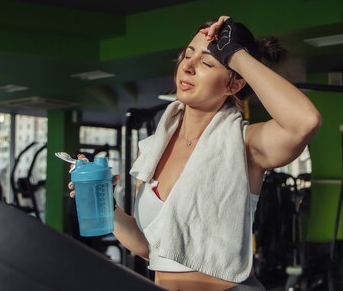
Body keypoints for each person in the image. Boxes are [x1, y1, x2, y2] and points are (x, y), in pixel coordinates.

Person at [69, 16, 321, 290]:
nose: (187, 67)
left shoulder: (245, 144)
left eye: (206, 62)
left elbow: (303, 122)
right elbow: (149, 248)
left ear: (233, 84)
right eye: (187, 56)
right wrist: (108, 205)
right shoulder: (153, 149)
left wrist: (235, 55)